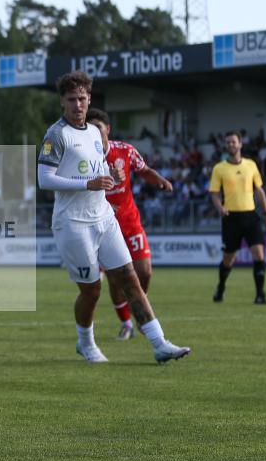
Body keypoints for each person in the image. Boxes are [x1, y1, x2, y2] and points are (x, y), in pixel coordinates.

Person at [36, 71, 190, 364]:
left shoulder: (94, 133)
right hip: (73, 224)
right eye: (71, 99)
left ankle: (159, 344)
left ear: (89, 99)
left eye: (82, 98)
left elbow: (97, 172)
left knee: (130, 277)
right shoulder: (56, 135)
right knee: (92, 290)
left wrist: (112, 174)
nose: (77, 104)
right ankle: (86, 343)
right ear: (62, 102)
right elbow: (45, 179)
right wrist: (88, 184)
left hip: (104, 218)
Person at [86, 108, 175, 340]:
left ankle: (137, 306)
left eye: (99, 128)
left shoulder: (124, 150)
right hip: (101, 226)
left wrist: (160, 180)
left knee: (144, 272)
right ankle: (126, 323)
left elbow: (143, 170)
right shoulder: (83, 157)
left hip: (129, 222)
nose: (95, 132)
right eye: (91, 128)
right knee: (116, 278)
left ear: (108, 130)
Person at [209, 131, 266, 304]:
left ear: (240, 144)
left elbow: (259, 191)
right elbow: (214, 193)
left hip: (251, 216)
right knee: (229, 259)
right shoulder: (219, 168)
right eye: (228, 142)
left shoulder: (251, 165)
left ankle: (260, 295)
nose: (231, 145)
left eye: (233, 142)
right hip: (231, 218)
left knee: (259, 254)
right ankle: (221, 287)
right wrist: (220, 207)